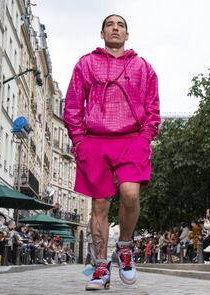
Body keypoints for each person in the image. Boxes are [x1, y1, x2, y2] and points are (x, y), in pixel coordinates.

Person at [63, 14, 160, 290]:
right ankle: (101, 268)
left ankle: (125, 246)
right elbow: (72, 105)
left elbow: (153, 108)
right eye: (110, 25)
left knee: (130, 193)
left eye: (120, 26)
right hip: (95, 140)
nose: (115, 28)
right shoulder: (86, 63)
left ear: (127, 35)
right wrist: (79, 140)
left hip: (131, 139)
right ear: (102, 33)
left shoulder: (143, 67)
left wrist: (145, 138)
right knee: (100, 205)